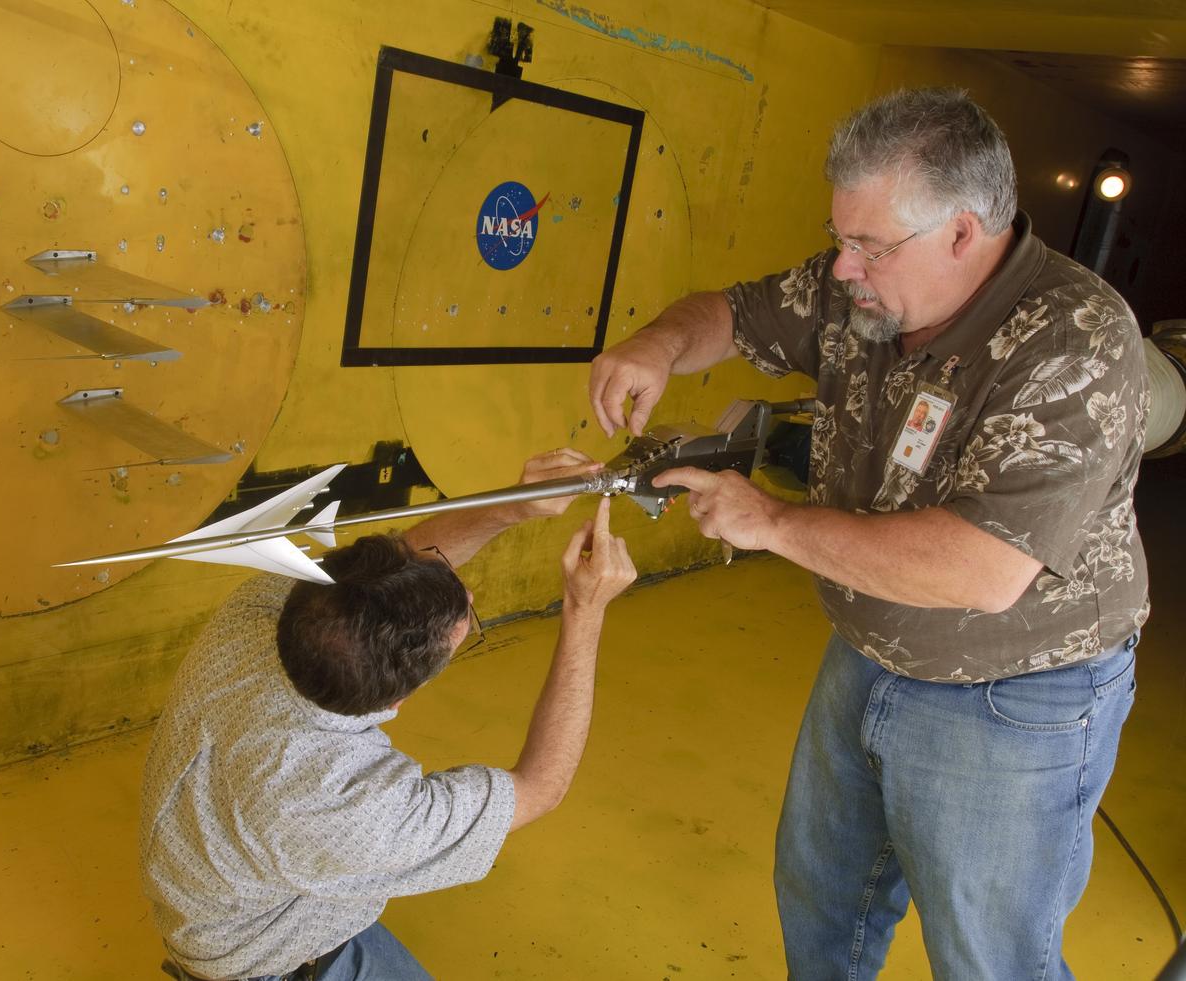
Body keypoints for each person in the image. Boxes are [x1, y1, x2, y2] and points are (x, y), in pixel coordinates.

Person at [589, 88, 1148, 980]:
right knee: (822, 895)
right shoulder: (863, 286)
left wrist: (769, 520)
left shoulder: (1073, 343)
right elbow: (732, 313)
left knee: (986, 953)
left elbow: (983, 568)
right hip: (871, 645)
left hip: (1013, 691)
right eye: (840, 237)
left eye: (869, 246)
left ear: (964, 233)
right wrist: (658, 343)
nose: (843, 267)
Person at [141, 449, 637, 981]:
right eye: (463, 615)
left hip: (228, 883)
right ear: (396, 701)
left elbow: (400, 562)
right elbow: (539, 788)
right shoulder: (351, 808)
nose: (463, 588)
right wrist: (586, 610)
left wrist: (510, 508)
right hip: (262, 958)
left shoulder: (266, 607)